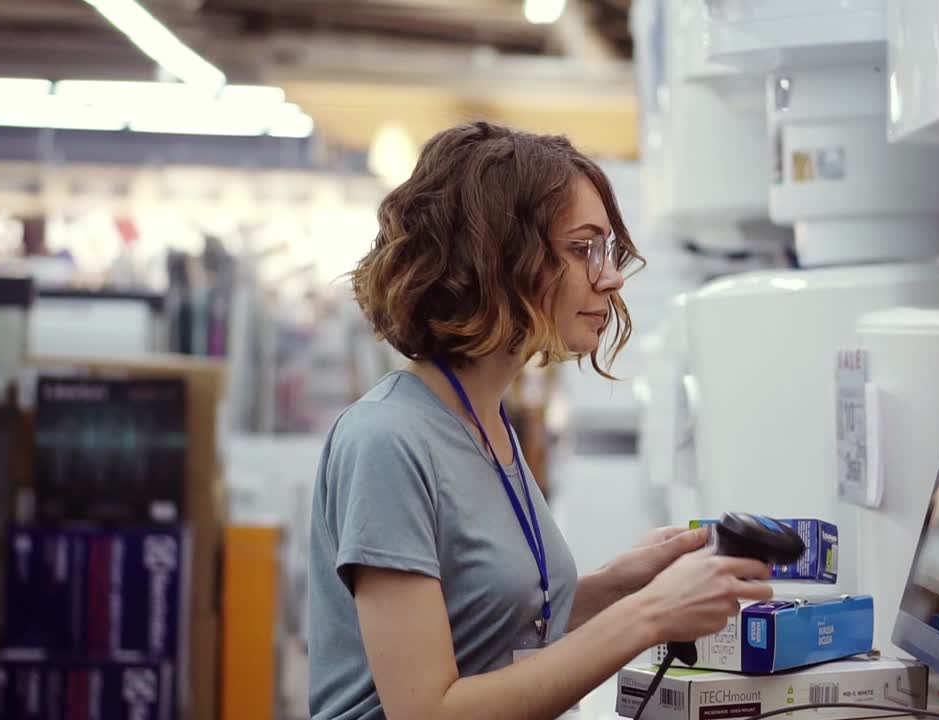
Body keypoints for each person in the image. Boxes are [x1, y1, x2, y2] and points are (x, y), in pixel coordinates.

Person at [308, 121, 773, 720]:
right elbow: (428, 711)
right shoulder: (387, 441)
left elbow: (492, 635)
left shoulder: (484, 421)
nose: (608, 277)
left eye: (606, 252)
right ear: (496, 257)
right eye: (583, 250)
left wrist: (617, 586)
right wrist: (651, 613)